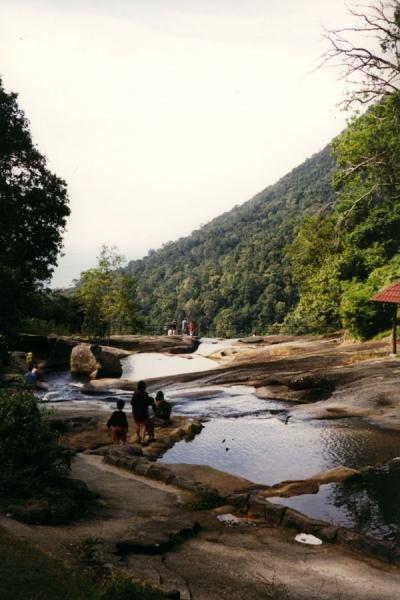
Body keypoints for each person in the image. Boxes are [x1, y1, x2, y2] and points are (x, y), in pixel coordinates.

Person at [130, 380, 155, 444]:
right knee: (143, 426)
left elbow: (131, 403)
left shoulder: (135, 394)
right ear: (144, 387)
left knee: (138, 425)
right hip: (143, 412)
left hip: (135, 412)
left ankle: (138, 438)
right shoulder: (145, 394)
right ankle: (142, 440)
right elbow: (147, 403)